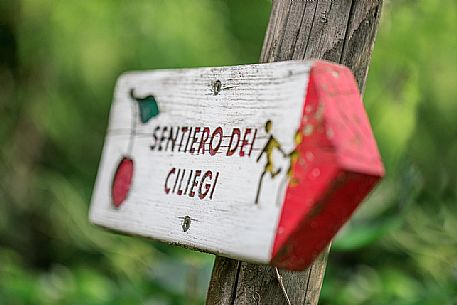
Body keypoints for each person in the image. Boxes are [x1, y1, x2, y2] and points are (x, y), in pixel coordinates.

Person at [255, 120, 286, 205]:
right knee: (266, 175)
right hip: (269, 161)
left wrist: (284, 154)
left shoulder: (273, 140)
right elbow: (263, 150)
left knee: (263, 175)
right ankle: (275, 173)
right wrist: (259, 157)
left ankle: (257, 199)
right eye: (266, 127)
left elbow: (279, 148)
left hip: (270, 162)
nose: (267, 129)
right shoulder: (268, 140)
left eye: (268, 127)